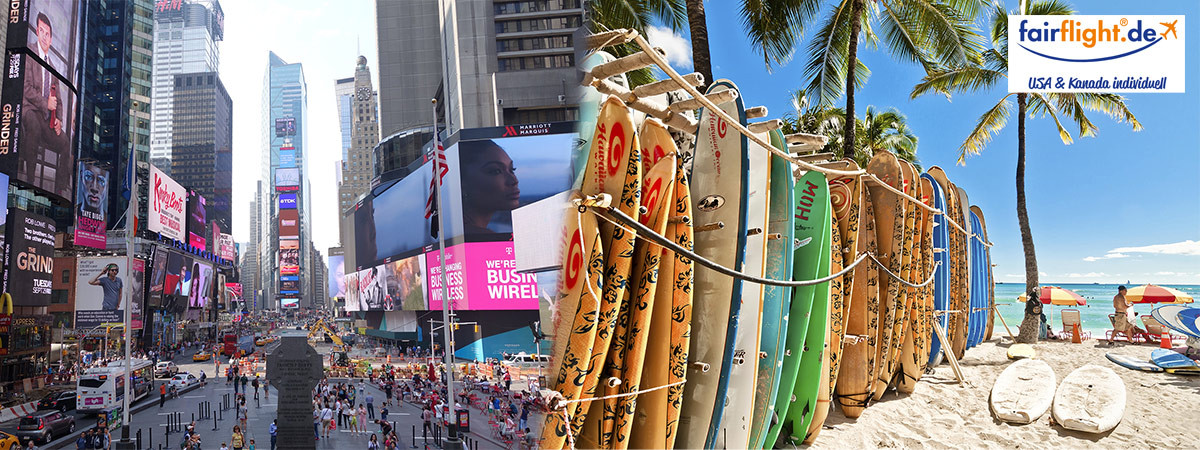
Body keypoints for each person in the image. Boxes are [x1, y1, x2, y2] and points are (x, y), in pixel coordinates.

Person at [460, 140, 521, 235]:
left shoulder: (454, 233)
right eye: (496, 171)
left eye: (512, 169)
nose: (514, 181)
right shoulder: (484, 238)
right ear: (462, 181)